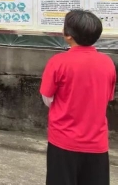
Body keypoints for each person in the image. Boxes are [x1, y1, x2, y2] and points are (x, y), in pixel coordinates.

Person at [40, 10, 116, 185]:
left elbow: (47, 98)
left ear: (68, 35)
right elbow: (106, 97)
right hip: (97, 143)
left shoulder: (58, 62)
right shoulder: (108, 63)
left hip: (63, 140)